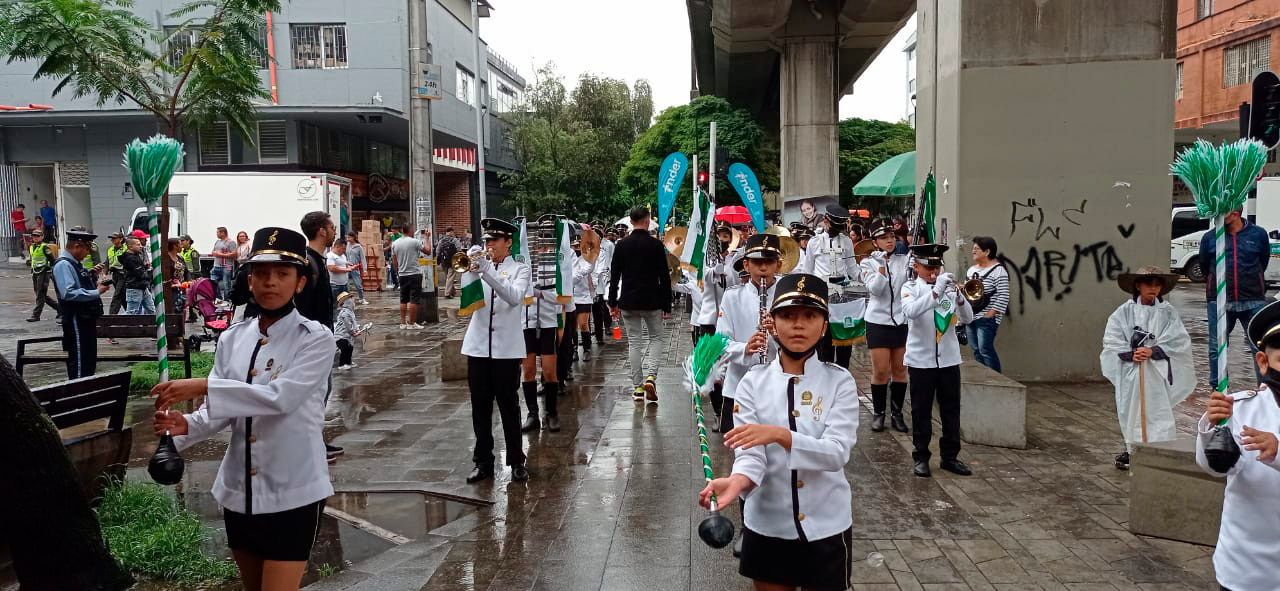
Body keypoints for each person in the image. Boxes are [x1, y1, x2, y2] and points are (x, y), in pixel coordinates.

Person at [152, 226, 334, 591]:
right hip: (238, 492)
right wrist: (184, 425)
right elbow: (221, 411)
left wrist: (204, 384)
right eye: (261, 274)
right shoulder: (234, 337)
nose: (270, 283)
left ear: (300, 283)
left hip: (292, 490)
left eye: (283, 274)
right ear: (250, 280)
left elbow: (279, 398)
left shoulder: (316, 339)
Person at [699, 272, 858, 591]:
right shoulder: (751, 383)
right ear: (772, 322)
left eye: (810, 315)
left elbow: (837, 452)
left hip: (827, 524)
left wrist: (781, 435)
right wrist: (737, 481)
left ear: (824, 325)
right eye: (787, 315)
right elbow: (749, 455)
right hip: (767, 524)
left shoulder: (840, 381)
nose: (798, 325)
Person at [1197, 299, 1280, 591]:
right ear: (1263, 362)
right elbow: (1216, 468)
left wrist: (1278, 451)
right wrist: (1211, 425)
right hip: (1245, 564)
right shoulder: (1242, 408)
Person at [1100, 266, 1195, 470]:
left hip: (1156, 372)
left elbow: (1178, 339)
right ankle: (1133, 448)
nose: (1153, 288)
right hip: (1131, 372)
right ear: (1138, 286)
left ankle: (1160, 448)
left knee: (1158, 410)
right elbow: (1112, 339)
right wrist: (1132, 354)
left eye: (1157, 284)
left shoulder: (1167, 312)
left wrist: (1154, 351)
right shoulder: (1124, 312)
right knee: (1130, 410)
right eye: (1148, 284)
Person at [461, 219, 532, 483]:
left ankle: (516, 460)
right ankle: (483, 462)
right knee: (479, 408)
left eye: (494, 241)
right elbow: (468, 297)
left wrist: (487, 270)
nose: (488, 245)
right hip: (478, 347)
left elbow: (514, 298)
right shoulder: (479, 266)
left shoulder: (520, 270)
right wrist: (469, 270)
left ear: (508, 243)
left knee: (509, 408)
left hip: (506, 350)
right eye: (486, 241)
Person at [901, 243, 973, 477]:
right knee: (921, 410)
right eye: (928, 267)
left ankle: (950, 457)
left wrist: (960, 298)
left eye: (937, 267)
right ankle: (921, 456)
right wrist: (935, 292)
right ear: (917, 266)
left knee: (951, 410)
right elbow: (911, 311)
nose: (934, 272)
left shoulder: (948, 289)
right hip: (921, 360)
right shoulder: (910, 287)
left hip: (949, 359)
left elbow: (968, 318)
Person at [716, 234, 782, 434]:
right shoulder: (732, 297)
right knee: (738, 451)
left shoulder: (787, 297)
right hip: (739, 386)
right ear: (746, 264)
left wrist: (777, 336)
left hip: (778, 386)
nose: (763, 268)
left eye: (769, 262)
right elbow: (721, 344)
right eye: (757, 262)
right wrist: (745, 348)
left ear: (778, 265)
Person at [1199, 207, 1270, 389]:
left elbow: (1263, 261)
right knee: (1217, 346)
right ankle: (1218, 387)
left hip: (1253, 299)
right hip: (1219, 300)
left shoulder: (1258, 234)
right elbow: (1205, 266)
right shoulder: (1210, 238)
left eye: (1222, 213)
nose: (1218, 217)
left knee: (1259, 345)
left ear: (1236, 213)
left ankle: (1265, 388)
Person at [608, 206, 671, 402]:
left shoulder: (621, 245)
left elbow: (614, 276)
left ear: (631, 221)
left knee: (634, 342)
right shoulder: (655, 245)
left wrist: (612, 302)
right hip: (652, 300)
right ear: (646, 220)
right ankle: (651, 376)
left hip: (628, 300)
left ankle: (637, 387)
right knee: (656, 338)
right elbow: (664, 277)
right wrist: (667, 304)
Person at [859, 219, 913, 433]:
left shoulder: (905, 259)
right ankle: (879, 413)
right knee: (881, 370)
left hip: (901, 320)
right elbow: (877, 290)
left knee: (900, 369)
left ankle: (897, 414)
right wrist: (881, 265)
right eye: (883, 238)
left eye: (891, 236)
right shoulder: (867, 263)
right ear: (875, 242)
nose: (889, 241)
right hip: (878, 322)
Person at [297, 212, 341, 462]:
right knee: (315, 394)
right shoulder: (308, 262)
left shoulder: (317, 260)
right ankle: (310, 445)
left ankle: (316, 439)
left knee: (322, 391)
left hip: (322, 337)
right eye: (332, 227)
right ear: (322, 231)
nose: (335, 231)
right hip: (311, 339)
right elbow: (303, 306)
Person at [520, 224, 565, 433]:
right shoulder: (523, 266)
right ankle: (532, 414)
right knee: (528, 370)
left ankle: (552, 413)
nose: (539, 247)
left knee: (549, 370)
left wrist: (540, 294)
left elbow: (563, 297)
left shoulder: (554, 265)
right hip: (526, 322)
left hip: (547, 322)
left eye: (544, 242)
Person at [804, 201, 859, 369]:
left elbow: (852, 269)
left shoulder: (847, 241)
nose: (836, 230)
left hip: (842, 294)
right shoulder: (814, 242)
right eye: (833, 225)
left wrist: (867, 280)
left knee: (844, 342)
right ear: (826, 220)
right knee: (824, 341)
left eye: (839, 227)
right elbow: (808, 271)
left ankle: (843, 376)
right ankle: (824, 377)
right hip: (821, 295)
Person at [51, 229, 109, 379]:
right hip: (76, 318)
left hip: (85, 317)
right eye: (86, 249)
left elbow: (77, 283)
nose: (87, 254)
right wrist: (97, 292)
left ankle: (85, 392)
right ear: (77, 246)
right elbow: (68, 293)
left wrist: (90, 275)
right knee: (80, 360)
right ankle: (77, 394)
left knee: (88, 358)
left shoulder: (75, 264)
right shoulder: (64, 264)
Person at [963, 236, 1010, 372]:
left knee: (985, 350)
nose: (973, 251)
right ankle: (983, 377)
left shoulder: (999, 271)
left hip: (987, 319)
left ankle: (996, 381)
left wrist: (990, 315)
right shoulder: (971, 270)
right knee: (977, 350)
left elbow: (1004, 295)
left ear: (987, 252)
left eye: (977, 249)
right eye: (973, 248)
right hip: (971, 317)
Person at [391, 225, 432, 329]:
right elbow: (428, 251)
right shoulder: (414, 242)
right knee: (414, 299)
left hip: (402, 274)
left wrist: (398, 272)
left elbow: (394, 261)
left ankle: (403, 323)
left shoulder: (395, 244)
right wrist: (427, 238)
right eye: (412, 229)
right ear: (409, 230)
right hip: (414, 274)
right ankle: (412, 323)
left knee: (403, 299)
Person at [26, 229, 61, 323]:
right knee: (39, 294)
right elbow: (33, 258)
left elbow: (53, 260)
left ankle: (36, 315)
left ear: (42, 237)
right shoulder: (32, 247)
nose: (35, 238)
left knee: (40, 293)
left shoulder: (45, 247)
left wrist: (52, 272)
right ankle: (59, 308)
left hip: (44, 272)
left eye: (37, 236)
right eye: (34, 236)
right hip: (35, 272)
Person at [572, 229, 596, 362]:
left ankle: (587, 349)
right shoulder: (568, 257)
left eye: (577, 246)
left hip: (583, 295)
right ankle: (574, 349)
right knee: (572, 326)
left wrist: (576, 274)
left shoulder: (586, 258)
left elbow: (588, 269)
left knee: (583, 324)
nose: (575, 248)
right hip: (570, 295)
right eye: (573, 246)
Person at [592, 227, 616, 345]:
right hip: (587, 287)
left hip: (601, 284)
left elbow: (608, 263)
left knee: (601, 309)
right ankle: (592, 334)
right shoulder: (586, 248)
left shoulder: (605, 248)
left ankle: (603, 331)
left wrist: (608, 275)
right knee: (590, 312)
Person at [121, 237, 154, 315]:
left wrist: (145, 267)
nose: (141, 246)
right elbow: (140, 273)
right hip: (134, 288)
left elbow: (137, 270)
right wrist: (150, 274)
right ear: (130, 246)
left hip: (142, 287)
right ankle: (118, 325)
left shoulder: (135, 256)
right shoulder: (130, 258)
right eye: (138, 245)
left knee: (152, 310)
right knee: (132, 312)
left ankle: (155, 325)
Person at [333, 291, 363, 371]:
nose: (353, 302)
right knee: (345, 349)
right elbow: (348, 324)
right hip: (341, 336)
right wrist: (353, 332)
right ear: (347, 302)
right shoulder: (345, 313)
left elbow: (354, 322)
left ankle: (348, 362)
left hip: (347, 336)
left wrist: (357, 329)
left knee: (350, 348)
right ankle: (342, 364)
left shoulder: (351, 312)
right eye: (352, 301)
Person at [436, 227, 463, 298]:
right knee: (450, 278)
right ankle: (447, 293)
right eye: (453, 232)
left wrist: (438, 259)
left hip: (443, 262)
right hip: (453, 261)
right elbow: (459, 250)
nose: (453, 234)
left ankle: (453, 292)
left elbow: (437, 251)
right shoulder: (454, 240)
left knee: (448, 277)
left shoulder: (441, 240)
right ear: (451, 232)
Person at [210, 227, 237, 300]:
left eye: (217, 232)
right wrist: (214, 253)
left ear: (223, 233)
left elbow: (234, 255)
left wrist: (220, 255)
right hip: (216, 266)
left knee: (226, 285)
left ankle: (227, 301)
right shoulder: (217, 242)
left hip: (227, 267)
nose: (216, 234)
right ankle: (218, 298)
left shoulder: (231, 242)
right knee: (213, 281)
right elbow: (213, 251)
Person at [325, 238, 354, 307]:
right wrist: (347, 270)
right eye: (343, 249)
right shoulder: (330, 256)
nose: (344, 251)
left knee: (345, 304)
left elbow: (345, 264)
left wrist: (349, 266)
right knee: (335, 305)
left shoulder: (343, 256)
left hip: (344, 284)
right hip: (335, 285)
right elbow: (332, 268)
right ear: (337, 246)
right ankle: (335, 318)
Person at [105, 232, 128, 314]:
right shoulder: (110, 249)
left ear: (121, 239)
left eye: (114, 238)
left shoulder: (126, 248)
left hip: (123, 274)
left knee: (117, 295)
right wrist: (105, 274)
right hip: (115, 275)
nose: (112, 240)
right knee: (122, 296)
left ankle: (111, 317)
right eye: (112, 238)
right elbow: (107, 262)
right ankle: (131, 315)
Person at [344, 231, 368, 304]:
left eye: (349, 237)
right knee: (345, 285)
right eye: (347, 237)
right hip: (347, 267)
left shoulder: (359, 247)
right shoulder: (347, 245)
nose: (348, 239)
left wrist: (365, 269)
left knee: (358, 285)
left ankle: (361, 298)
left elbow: (363, 258)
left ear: (354, 237)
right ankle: (345, 300)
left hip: (355, 267)